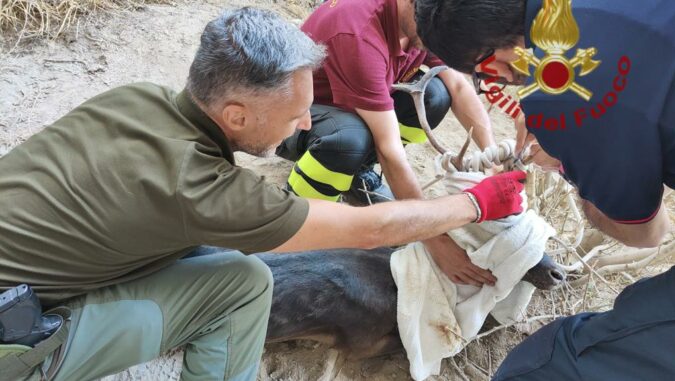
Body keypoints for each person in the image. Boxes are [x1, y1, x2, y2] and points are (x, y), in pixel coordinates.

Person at [0, 7, 526, 381]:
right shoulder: (202, 188)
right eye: (295, 111)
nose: (304, 121)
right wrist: (477, 203)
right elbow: (374, 228)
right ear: (236, 114)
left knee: (201, 252)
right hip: (14, 337)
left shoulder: (135, 98)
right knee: (245, 284)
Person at [415, 0, 675, 379]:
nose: (497, 84)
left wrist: (572, 163)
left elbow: (649, 232)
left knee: (540, 367)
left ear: (497, 60)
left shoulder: (561, 97)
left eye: (488, 77)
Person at [277, 0, 502, 288]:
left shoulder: (426, 19)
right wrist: (434, 240)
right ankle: (302, 218)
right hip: (294, 123)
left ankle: (354, 174)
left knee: (436, 94)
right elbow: (390, 151)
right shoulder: (360, 34)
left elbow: (458, 86)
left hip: (351, 107)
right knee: (349, 140)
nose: (437, 42)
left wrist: (492, 155)